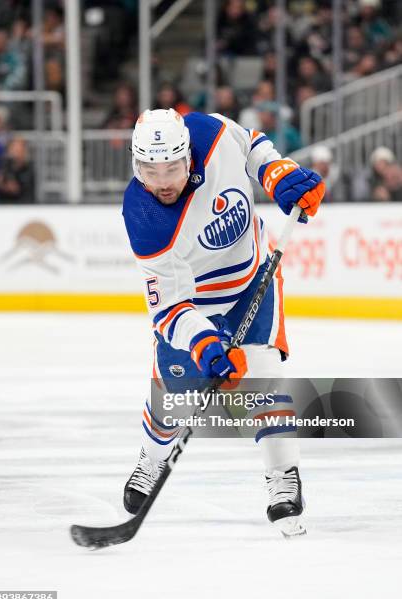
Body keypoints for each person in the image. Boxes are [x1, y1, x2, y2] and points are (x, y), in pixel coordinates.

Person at [121, 108, 325, 537]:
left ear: (188, 158)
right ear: (135, 164)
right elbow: (170, 306)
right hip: (194, 305)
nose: (161, 182)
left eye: (171, 167)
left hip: (252, 280)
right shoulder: (143, 216)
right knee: (171, 398)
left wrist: (276, 173)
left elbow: (250, 146)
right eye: (148, 170)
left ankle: (283, 476)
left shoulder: (209, 132)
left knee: (265, 376)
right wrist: (205, 344)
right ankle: (153, 458)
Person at [0, 137, 35, 203]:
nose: (15, 153)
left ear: (24, 151)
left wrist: (6, 186)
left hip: (24, 206)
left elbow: (17, 189)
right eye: (13, 149)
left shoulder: (29, 169)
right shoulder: (4, 166)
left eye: (18, 150)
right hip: (2, 206)